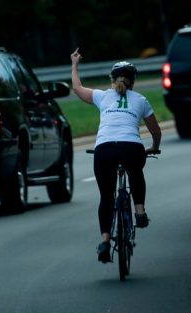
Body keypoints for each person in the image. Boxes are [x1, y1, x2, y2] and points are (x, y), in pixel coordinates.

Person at [70, 48, 162, 263]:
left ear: (112, 79)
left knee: (106, 196)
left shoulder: (102, 96)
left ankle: (104, 240)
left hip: (105, 150)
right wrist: (154, 146)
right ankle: (139, 211)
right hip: (132, 148)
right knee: (135, 172)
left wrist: (75, 65)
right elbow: (155, 131)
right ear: (133, 81)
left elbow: (77, 88)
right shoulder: (140, 99)